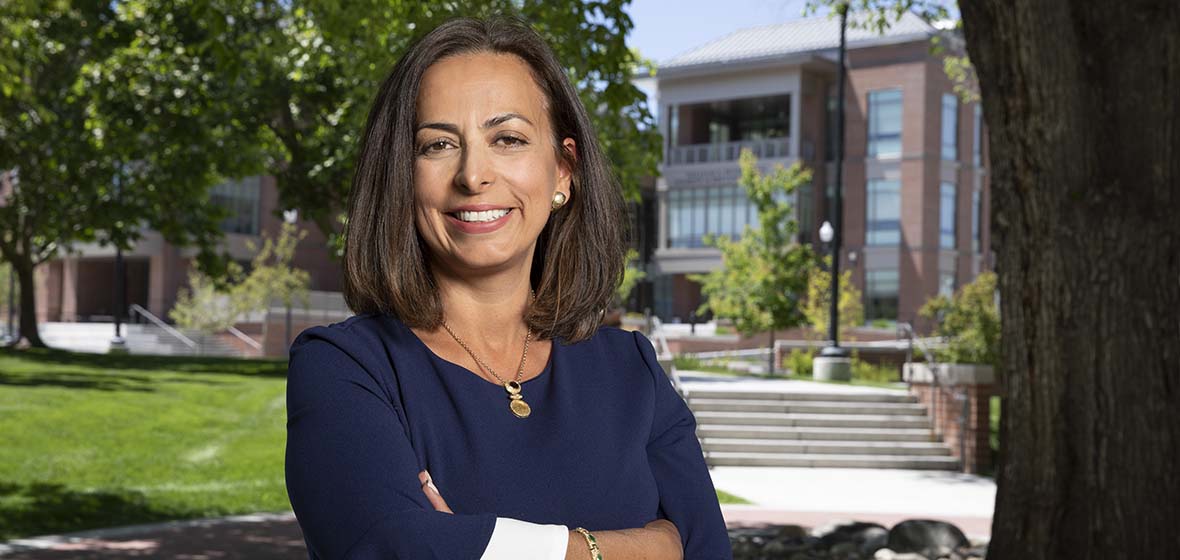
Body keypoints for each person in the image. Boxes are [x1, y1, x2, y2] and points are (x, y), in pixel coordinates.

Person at [284, 15, 732, 560]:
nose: (474, 174)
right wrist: (638, 548)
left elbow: (709, 551)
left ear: (563, 172)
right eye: (438, 145)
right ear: (402, 175)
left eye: (509, 138)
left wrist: (474, 544)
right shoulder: (344, 367)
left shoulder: (630, 370)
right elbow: (391, 547)